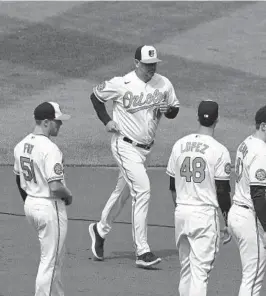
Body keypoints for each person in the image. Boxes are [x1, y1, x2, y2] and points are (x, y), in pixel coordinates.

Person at [88, 45, 180, 268]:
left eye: (154, 64)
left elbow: (174, 109)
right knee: (143, 190)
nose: (151, 68)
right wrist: (107, 121)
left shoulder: (163, 83)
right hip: (124, 145)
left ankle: (100, 229)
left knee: (124, 192)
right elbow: (95, 96)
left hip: (145, 150)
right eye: (147, 64)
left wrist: (168, 110)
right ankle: (142, 251)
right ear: (136, 63)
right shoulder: (122, 83)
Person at [166, 100, 232, 296]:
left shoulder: (179, 145)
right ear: (217, 119)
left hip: (182, 213)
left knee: (186, 270)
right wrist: (227, 221)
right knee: (200, 273)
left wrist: (180, 209)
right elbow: (222, 191)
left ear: (197, 117)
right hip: (204, 216)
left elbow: (172, 187)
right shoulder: (220, 150)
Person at [13, 102, 72, 296]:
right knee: (50, 262)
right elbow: (55, 186)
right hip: (49, 207)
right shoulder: (50, 148)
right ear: (46, 122)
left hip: (31, 203)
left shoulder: (21, 145)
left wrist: (31, 201)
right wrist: (68, 194)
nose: (60, 125)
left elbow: (17, 177)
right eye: (57, 122)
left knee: (54, 259)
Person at [228, 105, 266, 296]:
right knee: (252, 279)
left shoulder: (246, 142)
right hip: (249, 218)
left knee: (251, 276)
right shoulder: (261, 152)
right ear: (264, 126)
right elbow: (258, 195)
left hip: (237, 211)